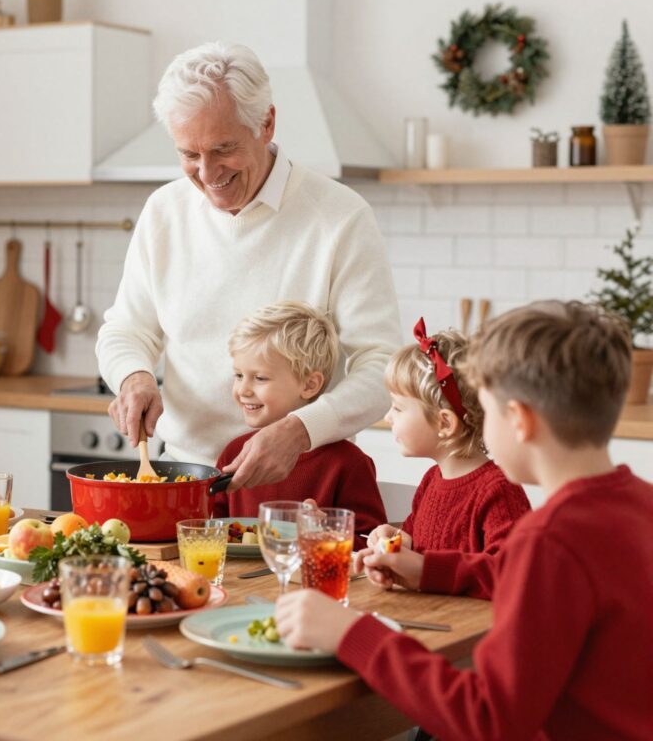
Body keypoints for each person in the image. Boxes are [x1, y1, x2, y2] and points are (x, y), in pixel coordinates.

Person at [275, 301, 653, 740]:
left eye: (487, 413)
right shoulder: (640, 506)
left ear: (520, 422)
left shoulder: (549, 540)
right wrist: (427, 568)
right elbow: (511, 576)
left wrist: (353, 633)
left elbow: (488, 719)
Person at [97, 41, 401, 490]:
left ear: (266, 123)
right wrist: (134, 375)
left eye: (223, 149)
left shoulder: (339, 217)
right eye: (188, 154)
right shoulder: (164, 212)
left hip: (304, 483)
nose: (207, 172)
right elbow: (125, 330)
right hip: (185, 479)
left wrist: (300, 431)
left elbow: (381, 367)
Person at [211, 301, 386, 548]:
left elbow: (373, 545)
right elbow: (213, 530)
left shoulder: (348, 463)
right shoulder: (234, 453)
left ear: (309, 385)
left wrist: (326, 531)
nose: (242, 390)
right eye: (238, 375)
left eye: (260, 378)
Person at [359, 319, 530, 557]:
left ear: (445, 423)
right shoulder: (431, 480)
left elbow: (509, 572)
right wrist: (397, 540)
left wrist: (423, 570)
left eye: (398, 408)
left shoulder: (499, 491)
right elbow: (416, 541)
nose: (388, 417)